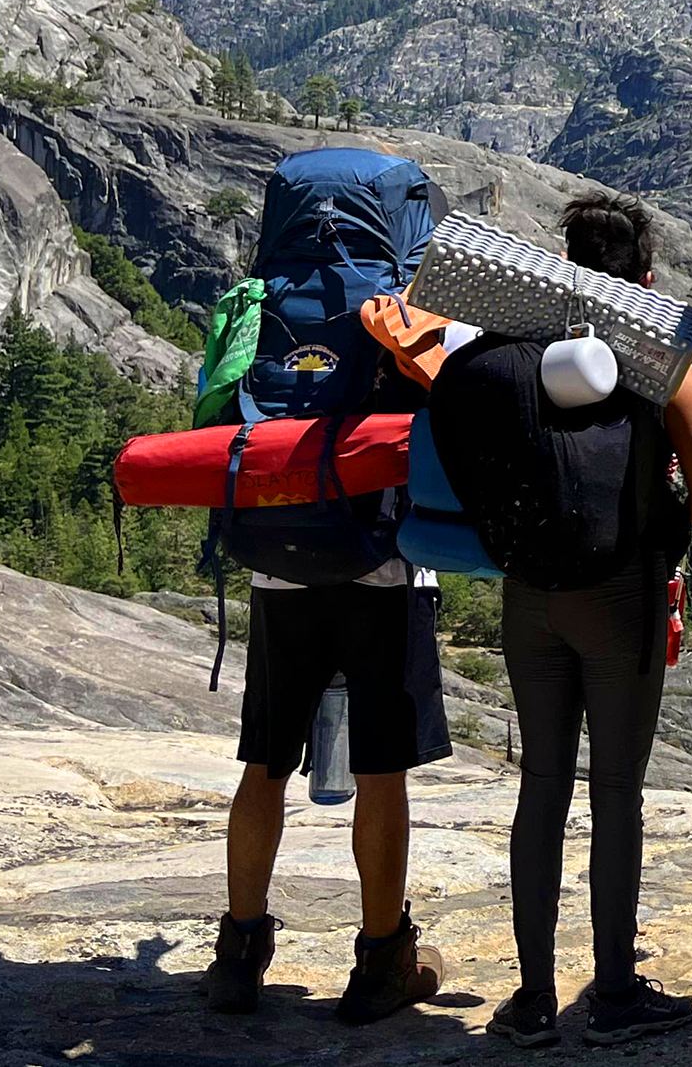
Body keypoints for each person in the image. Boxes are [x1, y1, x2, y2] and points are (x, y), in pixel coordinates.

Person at [481, 191, 692, 1047]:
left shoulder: (518, 346)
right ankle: (614, 994)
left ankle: (532, 1000)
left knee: (541, 784)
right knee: (616, 791)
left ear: (562, 268)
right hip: (621, 595)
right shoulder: (663, 361)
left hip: (529, 596)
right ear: (645, 279)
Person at [203, 434, 450, 1024]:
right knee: (382, 772)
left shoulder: (275, 360)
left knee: (265, 762)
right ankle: (382, 966)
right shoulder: (403, 359)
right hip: (387, 569)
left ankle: (238, 960)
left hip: (280, 564)